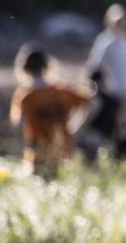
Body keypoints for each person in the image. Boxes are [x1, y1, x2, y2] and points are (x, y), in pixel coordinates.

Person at [9, 43, 92, 171]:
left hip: (38, 153)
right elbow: (89, 101)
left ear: (24, 68)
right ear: (47, 66)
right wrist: (74, 126)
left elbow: (19, 123)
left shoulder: (25, 95)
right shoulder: (62, 89)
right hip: (64, 151)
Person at [85, 3, 126, 121]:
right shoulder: (104, 41)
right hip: (110, 87)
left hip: (124, 85)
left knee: (123, 115)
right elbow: (95, 64)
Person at [78, 70, 126, 162]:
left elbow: (85, 122)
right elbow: (122, 124)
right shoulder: (114, 101)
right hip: (110, 140)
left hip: (94, 139)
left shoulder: (93, 100)